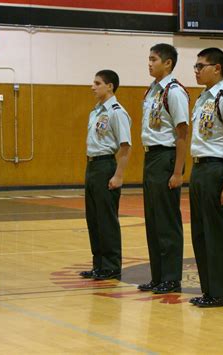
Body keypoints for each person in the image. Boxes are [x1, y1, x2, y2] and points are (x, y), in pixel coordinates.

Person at [189, 48, 223, 307]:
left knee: (217, 235)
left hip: (216, 169)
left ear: (217, 68)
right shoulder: (201, 98)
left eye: (201, 66)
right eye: (196, 66)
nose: (196, 70)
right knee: (200, 234)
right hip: (199, 169)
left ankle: (222, 293)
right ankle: (208, 290)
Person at [138, 43, 189, 294]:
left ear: (168, 63)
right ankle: (157, 276)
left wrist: (178, 171)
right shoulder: (152, 91)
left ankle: (171, 277)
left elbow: (182, 132)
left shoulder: (174, 91)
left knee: (167, 221)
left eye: (154, 59)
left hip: (166, 157)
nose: (149, 63)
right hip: (150, 157)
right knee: (153, 220)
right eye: (148, 59)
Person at [79, 70, 132, 281]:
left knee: (106, 219)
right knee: (93, 219)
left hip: (105, 166)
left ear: (109, 86)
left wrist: (119, 175)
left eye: (97, 83)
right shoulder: (96, 111)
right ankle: (98, 264)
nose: (93, 86)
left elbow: (126, 146)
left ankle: (111, 265)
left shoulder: (116, 112)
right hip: (92, 166)